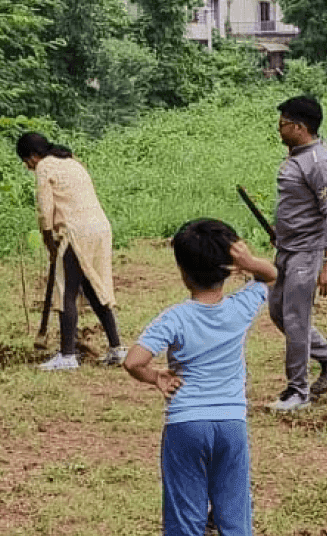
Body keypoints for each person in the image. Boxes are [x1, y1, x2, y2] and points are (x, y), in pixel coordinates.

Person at [123, 218, 276, 536]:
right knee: (234, 515)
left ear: (182, 271)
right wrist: (249, 263)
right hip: (232, 422)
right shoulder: (239, 308)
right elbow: (272, 275)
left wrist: (156, 377)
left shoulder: (175, 317)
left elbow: (133, 361)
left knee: (185, 520)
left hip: (186, 423)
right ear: (229, 269)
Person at [268, 95, 327, 412]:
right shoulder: (297, 156)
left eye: (282, 124)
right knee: (279, 312)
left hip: (307, 252)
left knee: (295, 319)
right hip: (286, 249)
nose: (278, 130)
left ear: (299, 127)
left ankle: (297, 391)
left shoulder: (319, 163)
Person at [16, 132, 126, 370]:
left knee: (65, 290)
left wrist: (49, 242)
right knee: (93, 288)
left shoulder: (44, 167)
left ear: (33, 156)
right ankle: (117, 349)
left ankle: (67, 356)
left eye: (26, 161)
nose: (28, 167)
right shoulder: (71, 162)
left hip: (76, 232)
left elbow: (45, 212)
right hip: (100, 229)